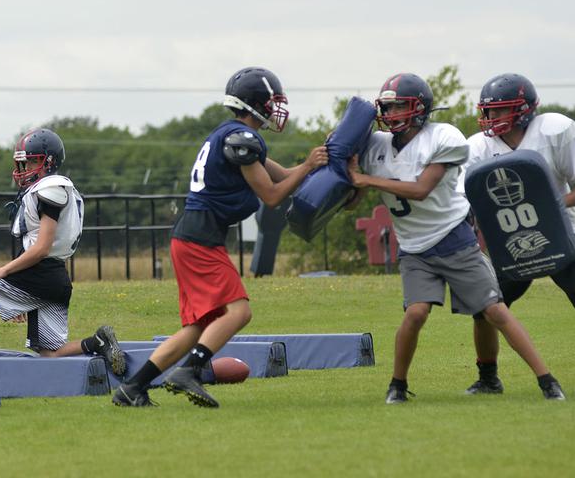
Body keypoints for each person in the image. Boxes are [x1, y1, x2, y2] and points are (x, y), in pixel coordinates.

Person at [113, 66, 328, 408]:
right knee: (239, 312)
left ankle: (133, 387)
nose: (276, 109)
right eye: (272, 102)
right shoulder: (240, 139)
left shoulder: (233, 135)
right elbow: (272, 195)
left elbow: (285, 176)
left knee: (199, 328)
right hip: (199, 240)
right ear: (256, 103)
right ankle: (190, 371)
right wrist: (307, 168)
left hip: (191, 238)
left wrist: (313, 165)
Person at [347, 73, 565, 404]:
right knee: (415, 313)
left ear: (420, 108)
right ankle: (397, 386)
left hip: (454, 238)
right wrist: (339, 170)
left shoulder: (444, 136)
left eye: (398, 106)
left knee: (495, 311)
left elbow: (421, 190)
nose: (390, 114)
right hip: (414, 247)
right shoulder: (375, 146)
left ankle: (547, 380)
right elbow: (353, 193)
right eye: (387, 107)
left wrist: (365, 180)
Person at [0, 128, 126, 375]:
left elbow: (41, 248)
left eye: (32, 161)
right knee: (50, 354)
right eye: (23, 162)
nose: (25, 168)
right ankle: (98, 342)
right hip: (54, 277)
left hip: (39, 274)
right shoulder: (53, 188)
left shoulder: (51, 187)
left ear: (49, 161)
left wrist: (4, 272)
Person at [463, 73, 575, 395]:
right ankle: (488, 378)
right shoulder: (478, 147)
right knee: (486, 306)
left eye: (499, 110)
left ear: (523, 110)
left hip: (561, 232)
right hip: (508, 241)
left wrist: (552, 205)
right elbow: (468, 200)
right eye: (488, 110)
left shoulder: (555, 131)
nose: (491, 117)